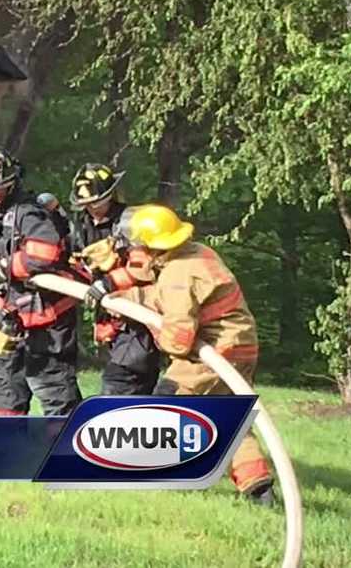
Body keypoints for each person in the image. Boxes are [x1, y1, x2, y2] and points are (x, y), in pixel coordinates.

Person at [89, 204, 276, 505]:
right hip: (240, 346)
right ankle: (258, 487)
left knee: (165, 407)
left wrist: (151, 325)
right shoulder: (194, 253)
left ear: (153, 247)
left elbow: (178, 340)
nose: (135, 253)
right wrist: (122, 298)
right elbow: (160, 295)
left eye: (138, 247)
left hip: (214, 354)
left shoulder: (177, 273)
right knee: (227, 416)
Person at [0, 145, 84, 416]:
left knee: (53, 388)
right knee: (5, 384)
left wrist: (8, 264)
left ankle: (69, 451)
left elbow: (44, 255)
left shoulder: (29, 212)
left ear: (13, 181)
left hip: (48, 318)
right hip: (14, 313)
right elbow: (3, 244)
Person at [67, 163, 163, 396]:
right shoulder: (81, 226)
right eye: (85, 205)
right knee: (135, 397)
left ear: (110, 195)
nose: (91, 209)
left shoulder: (131, 223)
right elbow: (76, 264)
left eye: (96, 203)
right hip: (113, 321)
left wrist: (107, 283)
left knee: (118, 386)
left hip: (140, 320)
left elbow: (144, 270)